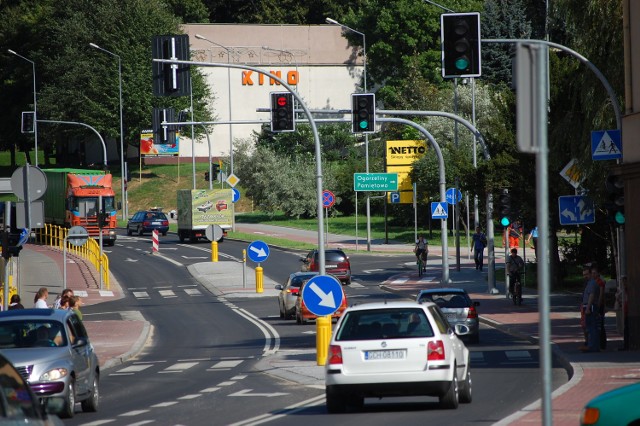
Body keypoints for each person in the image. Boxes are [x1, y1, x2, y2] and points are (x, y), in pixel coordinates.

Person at [581, 268, 601, 353]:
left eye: (586, 274)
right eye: (584, 275)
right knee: (590, 327)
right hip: (588, 306)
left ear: (590, 274)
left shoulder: (592, 283)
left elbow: (591, 296)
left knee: (591, 327)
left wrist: (588, 308)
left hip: (591, 307)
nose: (585, 276)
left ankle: (593, 347)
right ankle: (592, 345)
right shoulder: (589, 283)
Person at [591, 265, 607, 350]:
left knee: (600, 324)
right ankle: (598, 343)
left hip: (598, 305)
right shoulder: (593, 281)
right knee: (596, 324)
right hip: (595, 305)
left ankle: (602, 344)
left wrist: (599, 305)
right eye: (592, 273)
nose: (593, 274)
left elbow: (601, 295)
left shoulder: (600, 282)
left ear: (598, 274)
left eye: (594, 273)